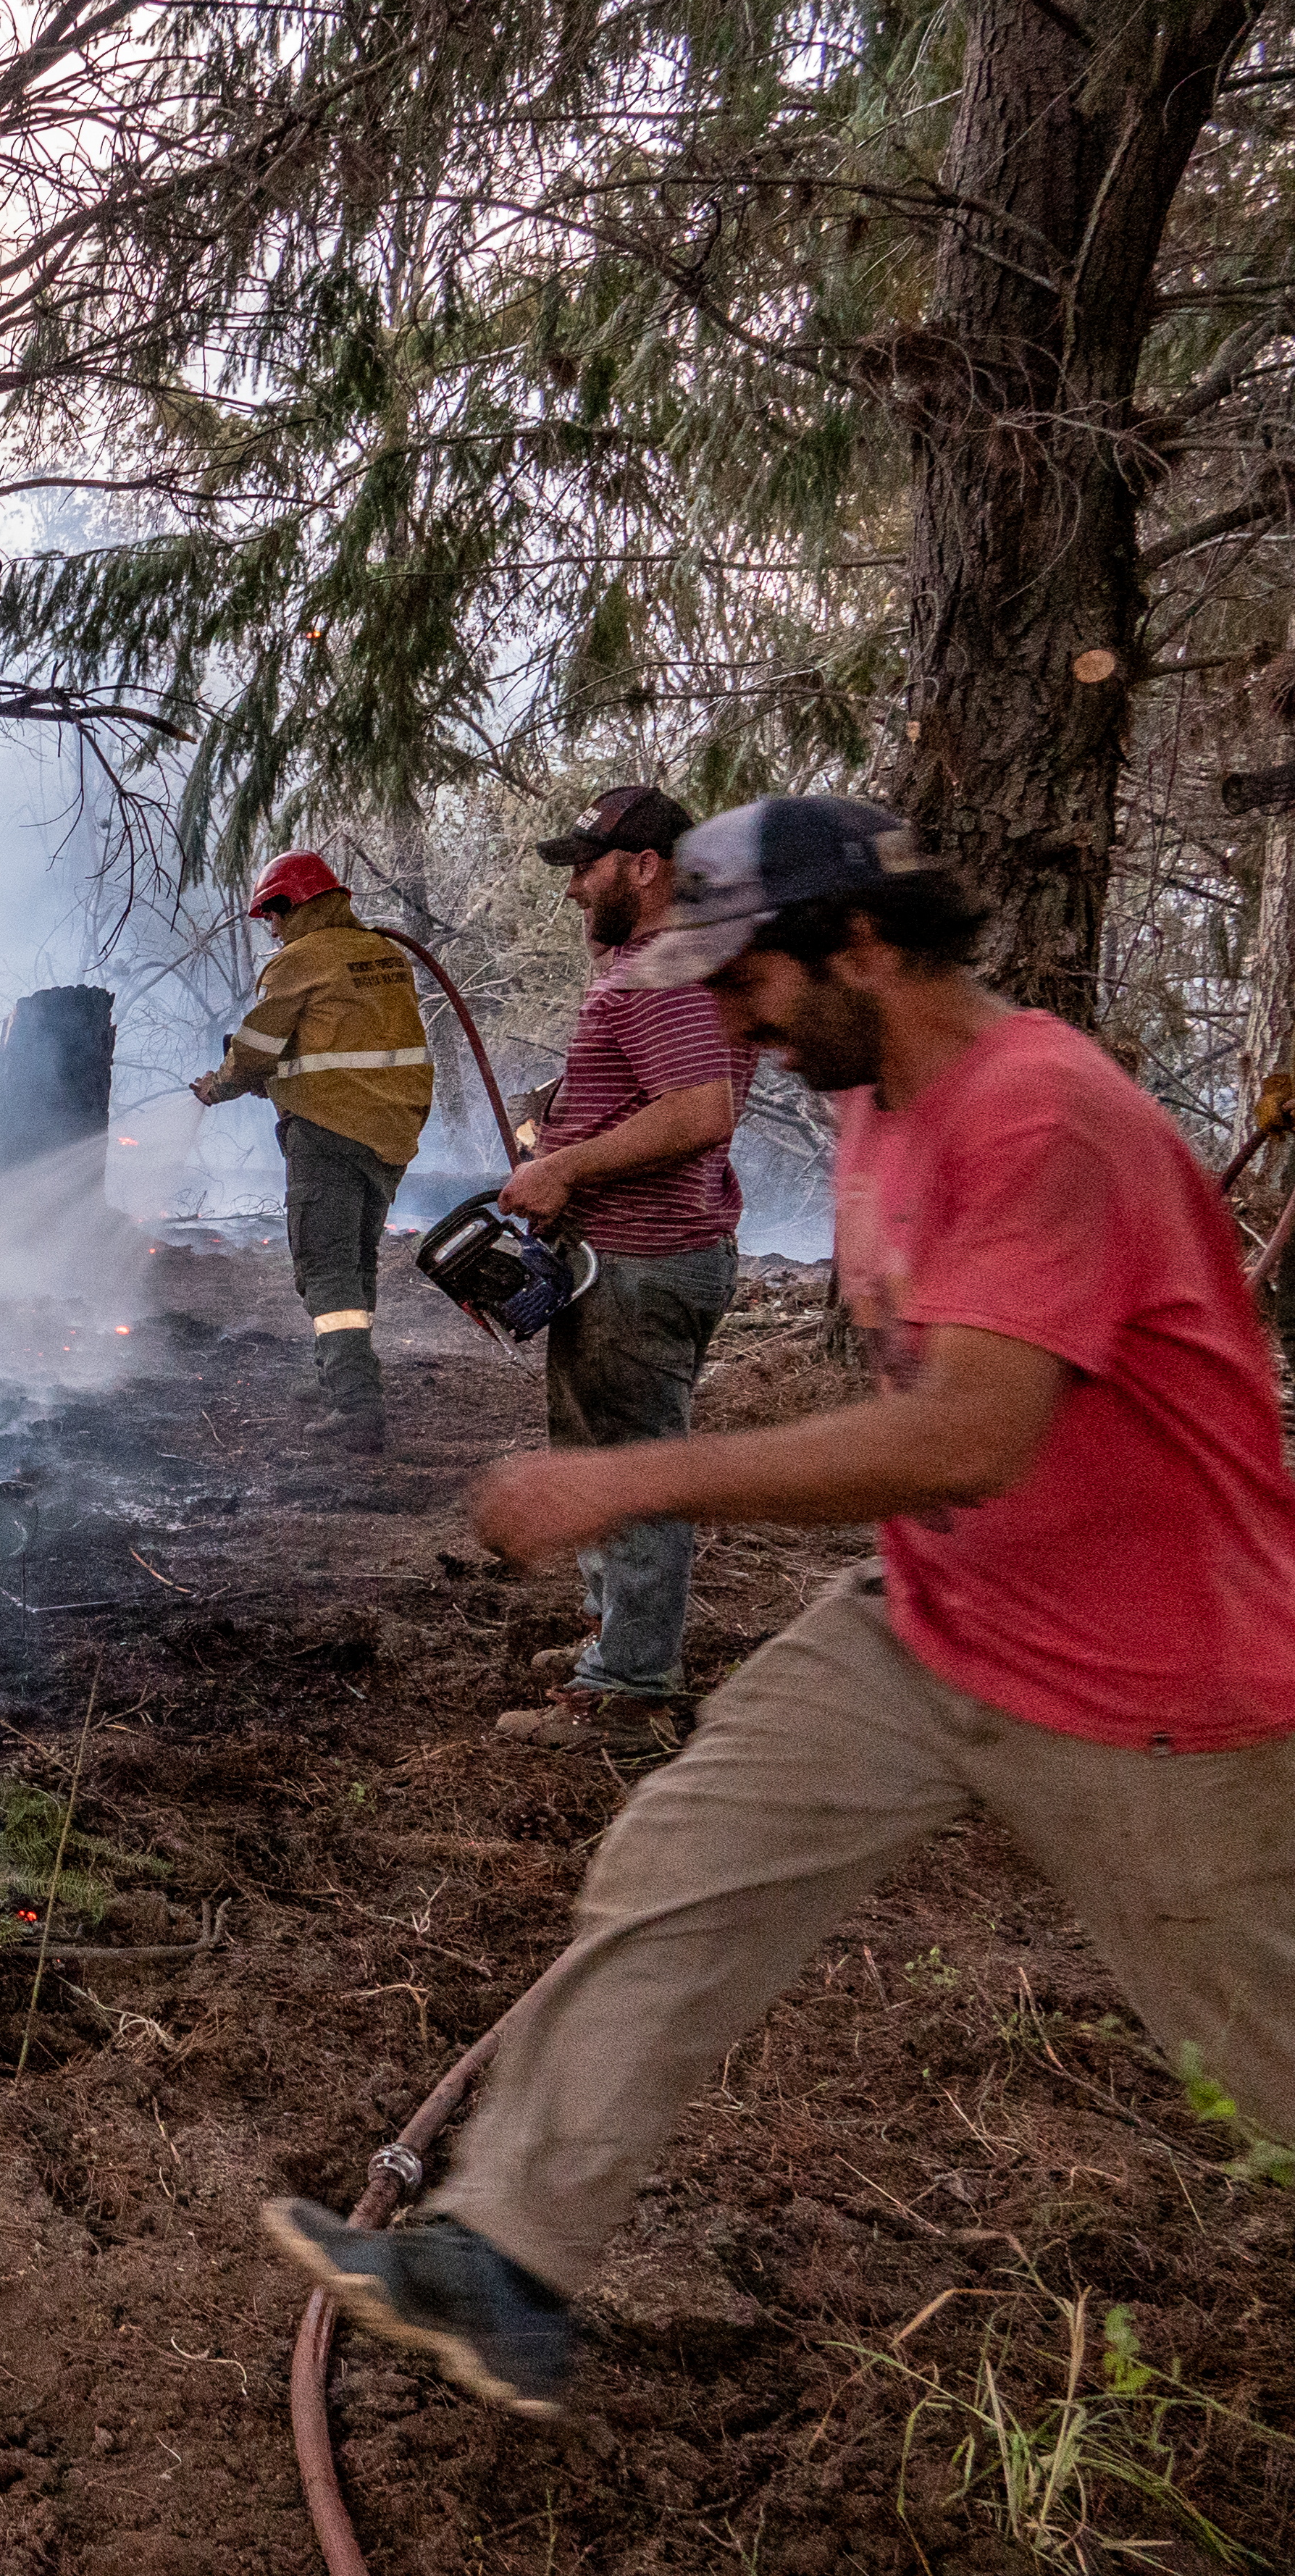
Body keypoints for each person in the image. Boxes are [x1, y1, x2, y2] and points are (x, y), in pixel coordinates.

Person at [260, 796, 1295, 2420]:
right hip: (934, 1614)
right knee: (682, 1868)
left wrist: (633, 1478)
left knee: (1272, 2058)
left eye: (745, 981)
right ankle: (505, 2260)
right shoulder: (882, 1093)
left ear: (864, 945)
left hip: (1156, 1683)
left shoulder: (1041, 1119)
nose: (728, 1019)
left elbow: (972, 1429)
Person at [490, 785, 762, 1752]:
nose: (572, 889)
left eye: (586, 866)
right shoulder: (662, 969)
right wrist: (559, 1122)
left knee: (637, 1473)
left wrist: (562, 1164)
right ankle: (617, 1636)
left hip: (643, 1265)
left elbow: (699, 1112)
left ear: (645, 867)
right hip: (627, 1260)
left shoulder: (662, 973)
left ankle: (632, 1690)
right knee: (605, 1464)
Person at [191, 849, 436, 1451]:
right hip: (391, 1132)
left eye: (273, 914)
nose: (271, 927)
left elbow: (256, 1046)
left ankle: (355, 1406)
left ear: (294, 903)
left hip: (327, 1129)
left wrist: (220, 1085)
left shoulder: (301, 961)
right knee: (355, 1262)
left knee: (325, 1270)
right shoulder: (385, 955)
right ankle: (339, 1374)